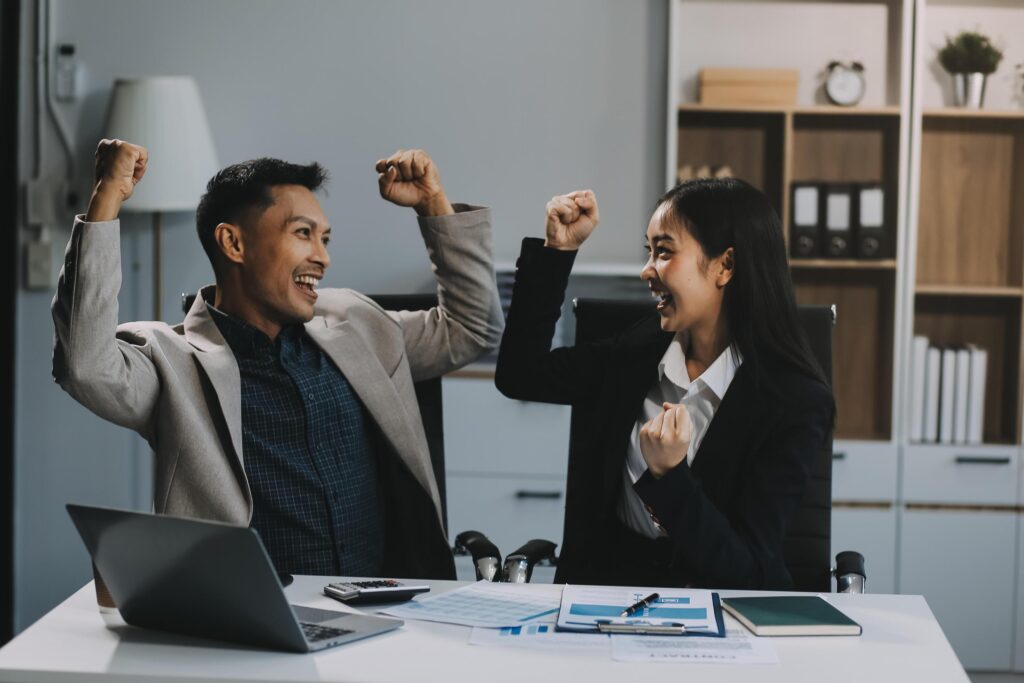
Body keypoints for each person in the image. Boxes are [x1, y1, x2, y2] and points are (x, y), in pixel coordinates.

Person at [52, 139, 503, 579]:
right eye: (303, 233)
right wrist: (106, 198)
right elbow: (85, 367)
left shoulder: (357, 325)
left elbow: (473, 329)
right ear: (233, 244)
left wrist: (434, 205)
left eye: (325, 238)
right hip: (249, 626)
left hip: (388, 614)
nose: (322, 257)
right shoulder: (173, 362)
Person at [495, 178, 834, 589]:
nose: (646, 270)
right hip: (606, 594)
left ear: (724, 266)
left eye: (664, 252)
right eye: (649, 251)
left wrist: (669, 475)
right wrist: (557, 253)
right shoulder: (637, 350)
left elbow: (749, 569)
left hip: (719, 610)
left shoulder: (794, 401)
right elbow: (520, 375)